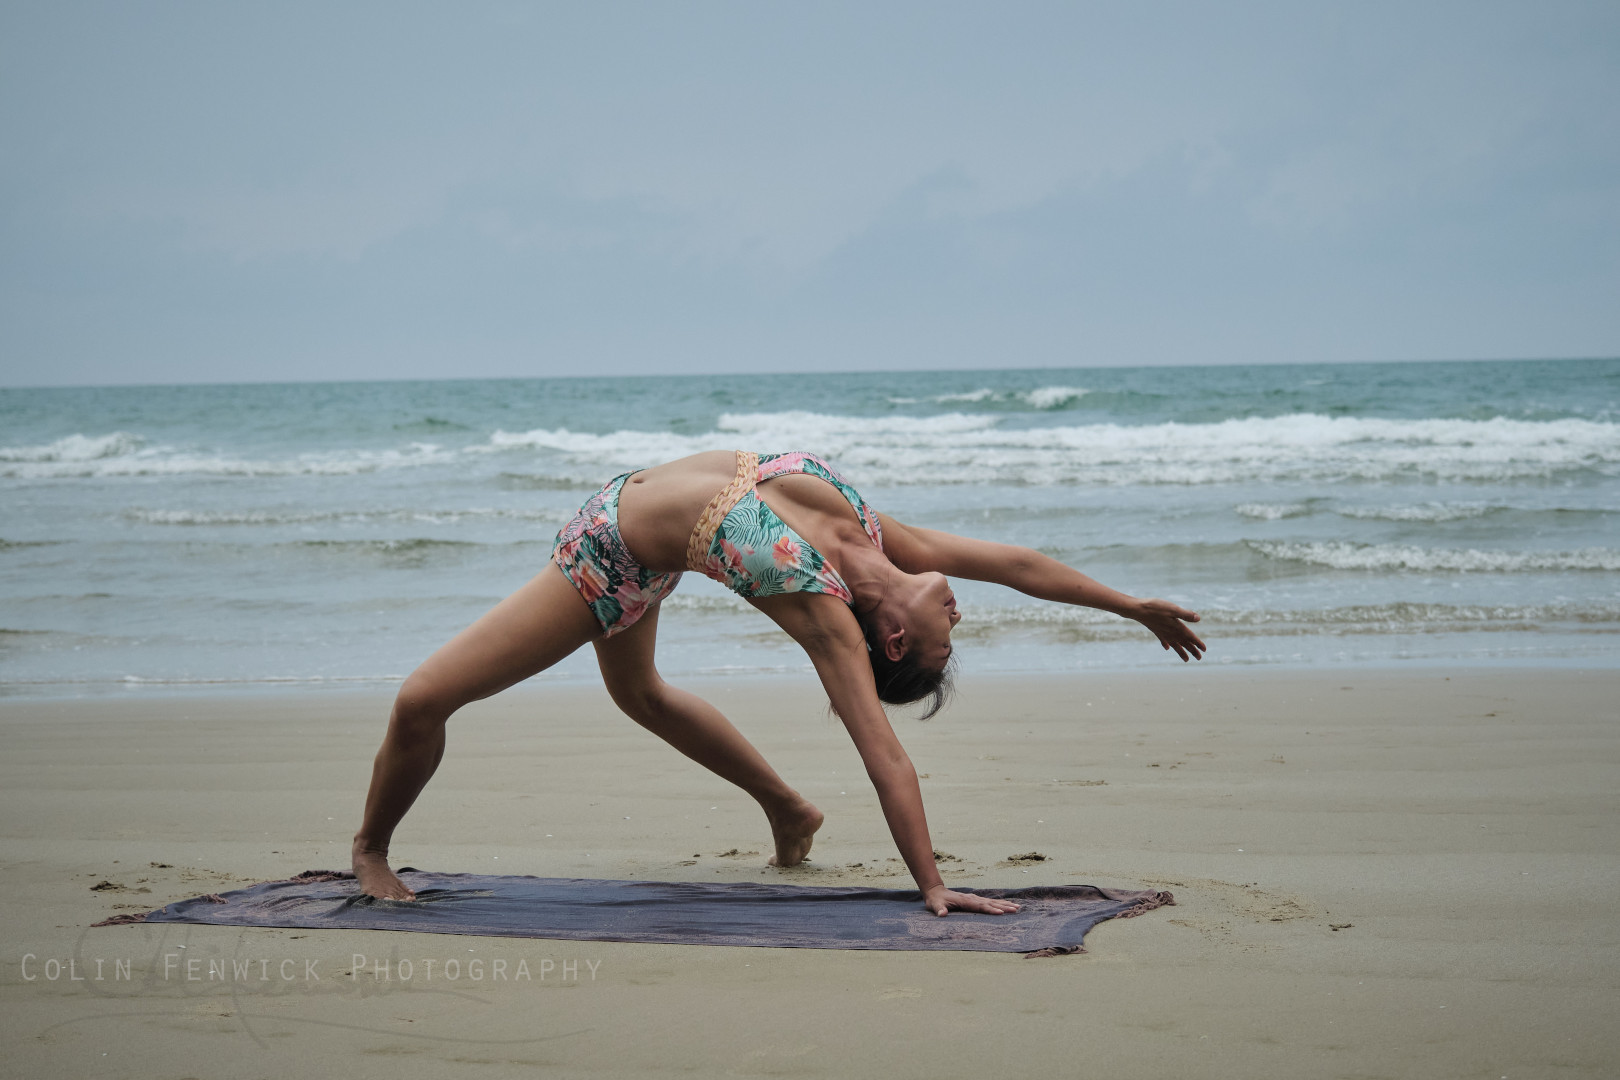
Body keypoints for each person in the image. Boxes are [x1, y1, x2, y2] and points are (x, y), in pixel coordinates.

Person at [351, 450, 1205, 916]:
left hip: (606, 558)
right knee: (639, 693)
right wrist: (1130, 606)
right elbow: (1016, 563)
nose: (963, 620)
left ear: (895, 637)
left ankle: (370, 848)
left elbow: (884, 752)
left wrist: (932, 885)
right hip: (623, 516)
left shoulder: (830, 615)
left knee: (423, 699)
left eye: (947, 645)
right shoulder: (877, 536)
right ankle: (788, 809)